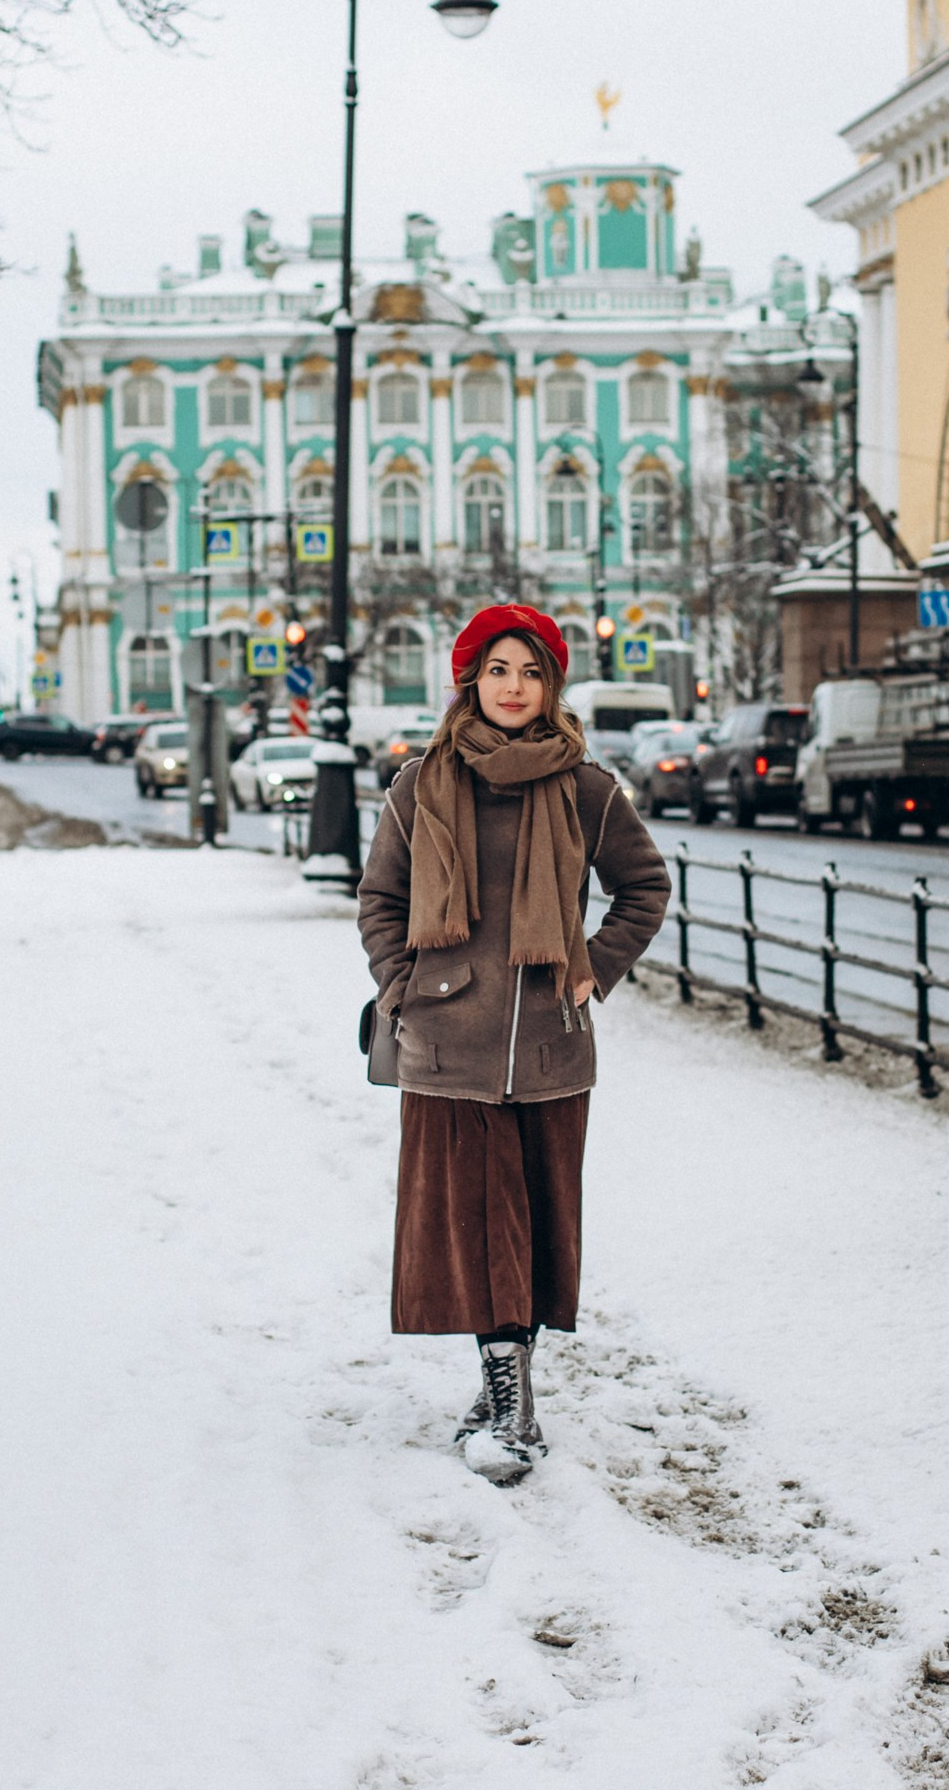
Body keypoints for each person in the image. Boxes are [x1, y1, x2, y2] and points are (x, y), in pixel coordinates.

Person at [357, 604, 670, 1485]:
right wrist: (402, 984)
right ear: (471, 681)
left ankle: (507, 1386)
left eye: (530, 673)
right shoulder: (420, 786)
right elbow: (380, 899)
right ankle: (513, 1399)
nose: (513, 687)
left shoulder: (587, 789)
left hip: (547, 1045)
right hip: (447, 1044)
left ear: (551, 687)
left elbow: (644, 888)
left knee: (527, 1217)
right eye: (498, 670)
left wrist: (594, 967)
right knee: (474, 1220)